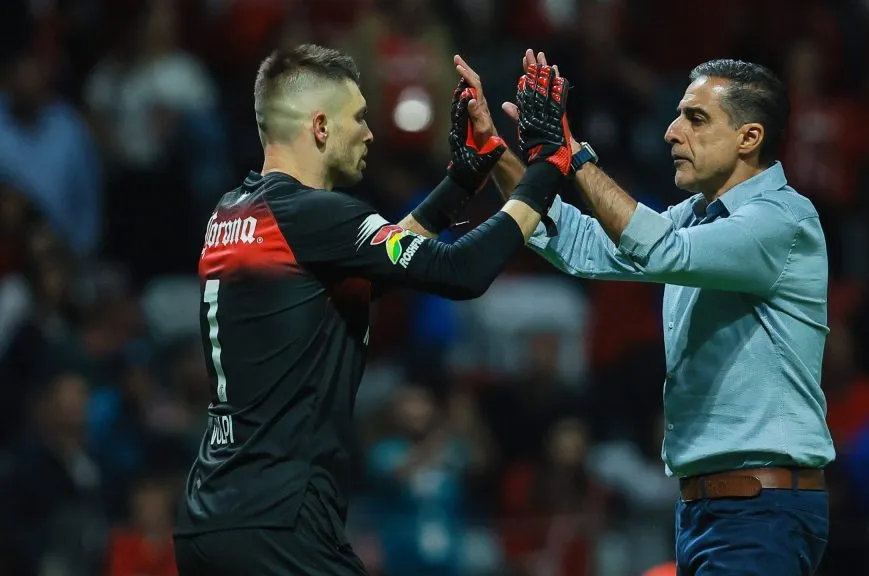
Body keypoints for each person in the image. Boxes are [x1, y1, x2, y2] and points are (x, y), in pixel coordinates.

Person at [171, 44, 567, 575]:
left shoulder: (234, 213)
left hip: (212, 516)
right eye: (358, 117)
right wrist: (546, 168)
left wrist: (463, 180)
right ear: (319, 126)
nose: (370, 132)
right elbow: (460, 271)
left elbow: (376, 263)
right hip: (281, 522)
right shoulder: (313, 216)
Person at [455, 50, 834, 574]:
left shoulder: (781, 222)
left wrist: (574, 156)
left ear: (750, 137)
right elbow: (584, 245)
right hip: (709, 509)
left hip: (759, 509)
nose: (672, 132)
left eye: (696, 119)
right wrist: (496, 151)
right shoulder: (698, 219)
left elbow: (655, 248)